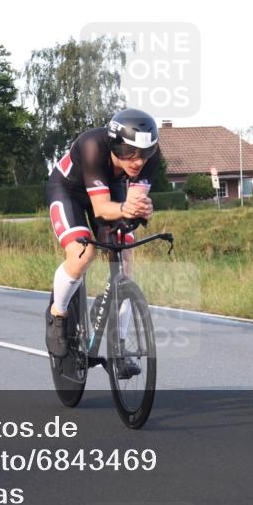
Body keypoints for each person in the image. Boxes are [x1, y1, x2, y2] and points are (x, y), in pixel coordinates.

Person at [45, 108, 160, 378]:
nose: (138, 161)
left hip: (110, 190)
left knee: (125, 262)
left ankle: (118, 349)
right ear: (116, 145)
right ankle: (57, 314)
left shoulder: (149, 159)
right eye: (131, 153)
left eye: (144, 154)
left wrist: (142, 208)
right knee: (83, 253)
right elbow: (100, 209)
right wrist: (125, 208)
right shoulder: (92, 146)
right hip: (68, 190)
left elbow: (134, 203)